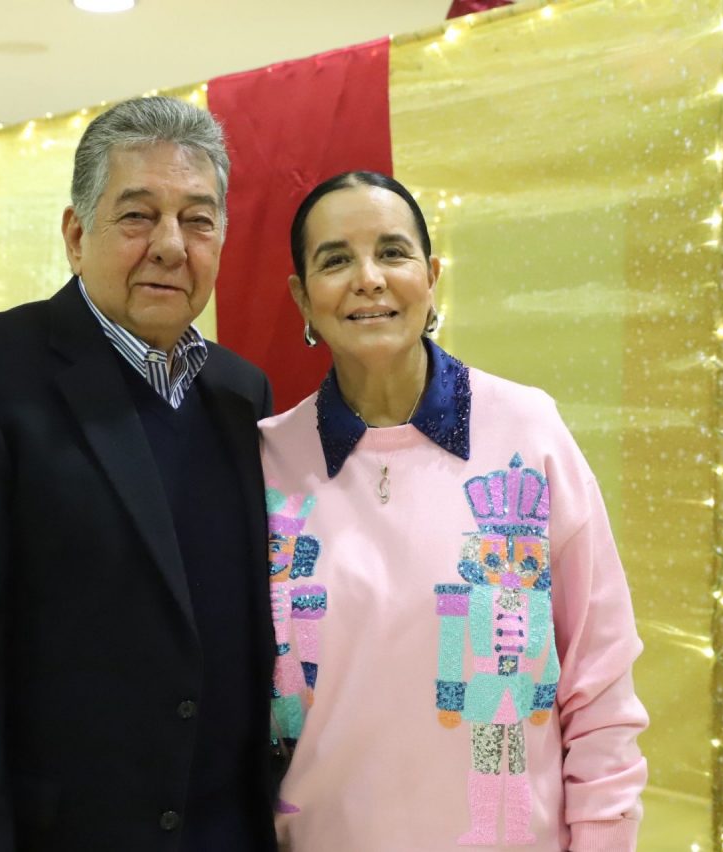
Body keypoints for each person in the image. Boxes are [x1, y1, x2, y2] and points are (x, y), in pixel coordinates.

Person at [0, 97, 278, 852]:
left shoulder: (241, 394)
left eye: (197, 220)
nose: (170, 245)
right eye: (138, 216)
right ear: (76, 234)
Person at [261, 171, 648, 851]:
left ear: (432, 276)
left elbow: (600, 677)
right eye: (336, 260)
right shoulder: (267, 461)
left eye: (392, 252)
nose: (369, 279)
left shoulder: (528, 433)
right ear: (302, 297)